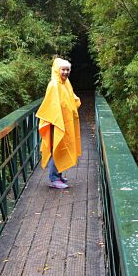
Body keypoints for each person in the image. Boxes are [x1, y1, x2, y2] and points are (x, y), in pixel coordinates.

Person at [36, 57, 81, 189]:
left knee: (63, 146)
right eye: (63, 69)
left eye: (68, 70)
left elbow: (70, 98)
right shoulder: (54, 85)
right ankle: (54, 178)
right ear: (57, 70)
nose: (66, 72)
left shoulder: (65, 83)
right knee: (56, 148)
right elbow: (51, 106)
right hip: (55, 123)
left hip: (65, 122)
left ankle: (58, 175)